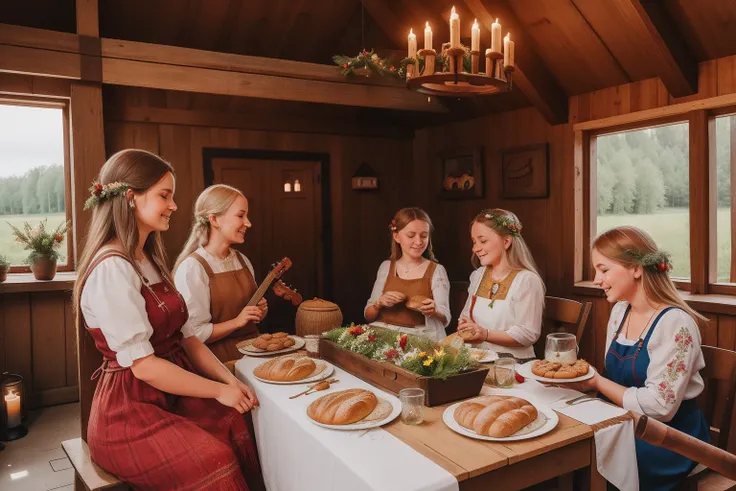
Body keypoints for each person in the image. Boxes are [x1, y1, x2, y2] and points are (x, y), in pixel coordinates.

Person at [74, 149, 262, 490]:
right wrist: (219, 390)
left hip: (169, 390)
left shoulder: (149, 260)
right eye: (165, 196)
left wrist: (229, 383)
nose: (174, 206)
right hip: (129, 411)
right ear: (131, 198)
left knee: (239, 422)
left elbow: (188, 338)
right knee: (214, 460)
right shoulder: (112, 268)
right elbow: (144, 368)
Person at [563, 226, 709, 491]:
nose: (597, 279)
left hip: (670, 440)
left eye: (604, 270)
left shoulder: (676, 323)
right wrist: (585, 382)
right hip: (624, 423)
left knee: (591, 461)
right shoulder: (620, 312)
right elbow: (614, 378)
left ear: (637, 269)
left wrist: (596, 383)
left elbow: (660, 407)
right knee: (567, 443)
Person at [174, 184, 267, 363]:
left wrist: (259, 312)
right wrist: (237, 321)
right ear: (214, 220)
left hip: (253, 355)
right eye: (241, 215)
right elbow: (195, 334)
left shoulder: (242, 260)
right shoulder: (193, 268)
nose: (248, 223)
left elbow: (248, 320)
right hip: (218, 362)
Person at [457, 208, 545, 360]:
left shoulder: (527, 281)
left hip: (514, 365)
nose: (475, 248)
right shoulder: (478, 275)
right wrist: (465, 325)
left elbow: (528, 334)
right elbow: (465, 316)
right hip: (479, 360)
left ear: (506, 241)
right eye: (474, 241)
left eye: (483, 241)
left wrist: (485, 334)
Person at [364, 207, 450, 341]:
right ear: (397, 236)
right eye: (411, 235)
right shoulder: (386, 267)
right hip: (383, 336)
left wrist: (434, 311)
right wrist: (378, 303)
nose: (418, 241)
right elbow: (368, 316)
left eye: (424, 235)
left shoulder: (437, 270)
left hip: (420, 339)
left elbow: (446, 319)